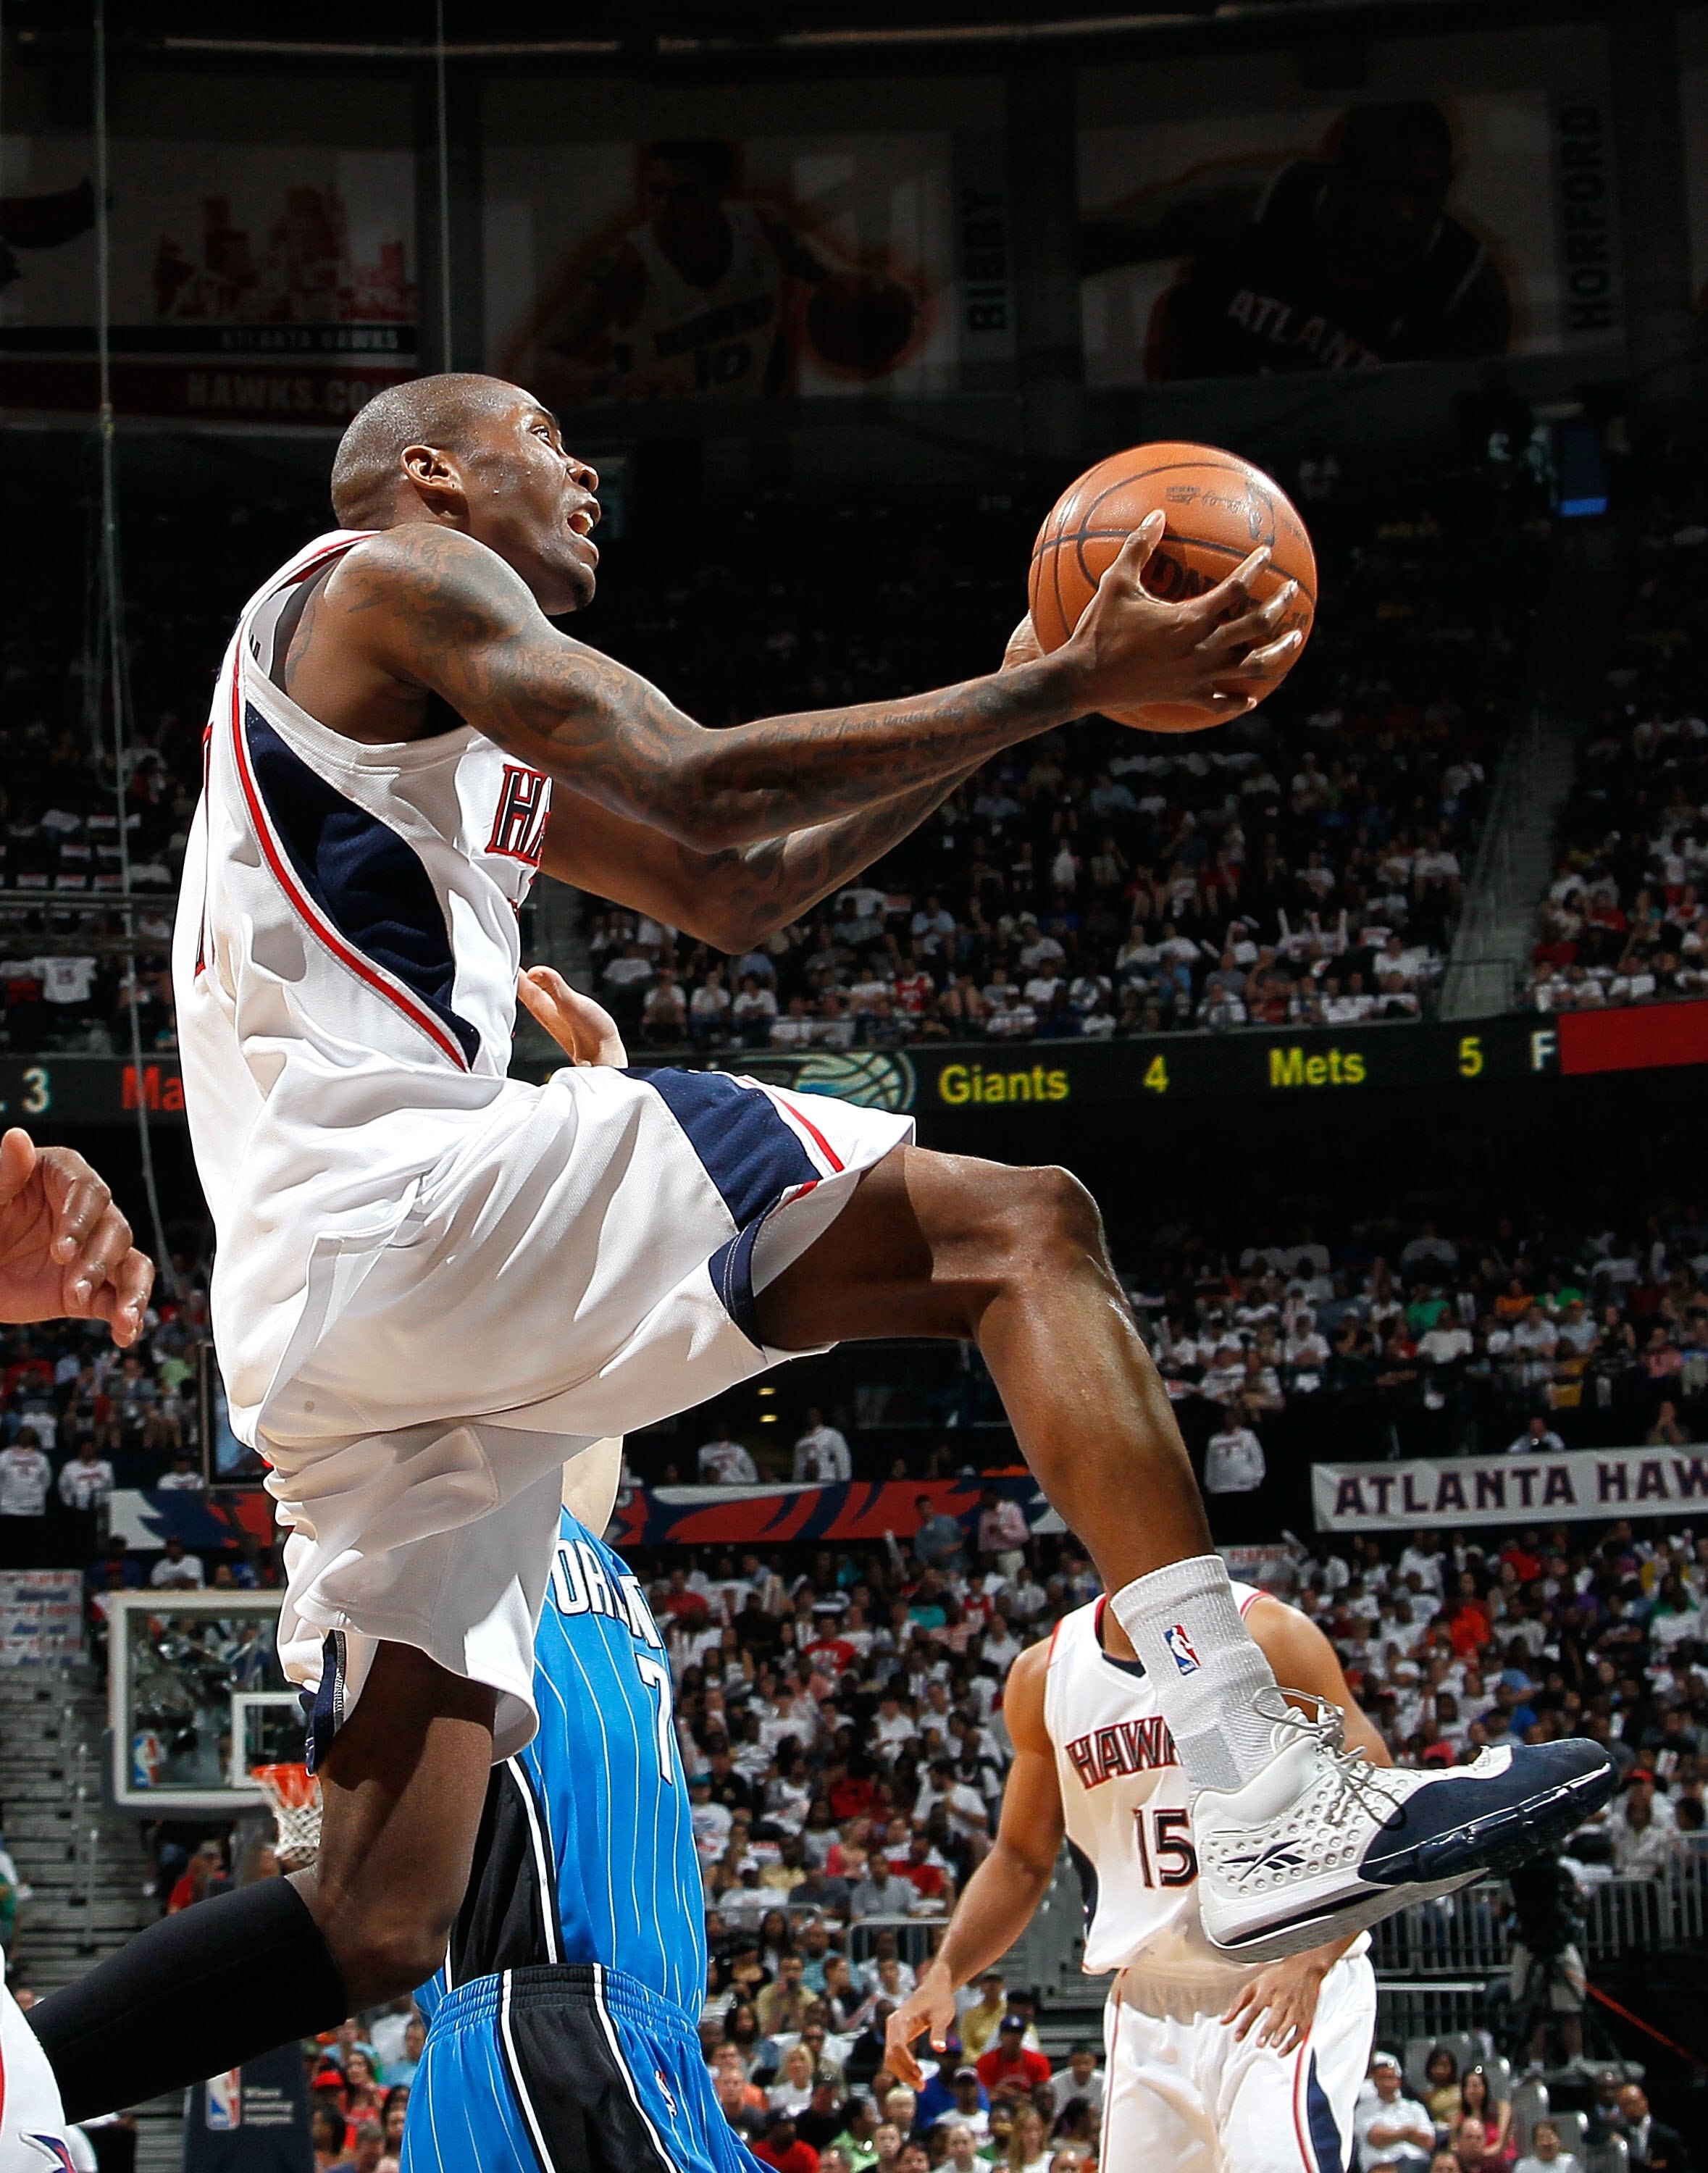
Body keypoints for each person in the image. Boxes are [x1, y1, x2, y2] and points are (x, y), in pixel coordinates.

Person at [30, 374, 1609, 2124]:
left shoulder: (429, 746)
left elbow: (734, 888)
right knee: (1022, 1229)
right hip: (398, 1208)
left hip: (328, 1318)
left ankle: (27, 2081)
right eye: (543, 440)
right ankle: (1253, 1781)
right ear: (428, 474)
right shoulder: (391, 574)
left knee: (386, 1907)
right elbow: (699, 787)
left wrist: (1018, 698)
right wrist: (1060, 679)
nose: (581, 471)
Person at [887, 1576, 1380, 2172]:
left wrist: (1314, 1957)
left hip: (1277, 1979)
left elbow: (1373, 1794)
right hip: (1149, 1998)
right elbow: (1020, 1856)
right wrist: (944, 1972)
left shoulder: (1264, 1632)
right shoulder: (1047, 1671)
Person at [1355, 2053, 1436, 2170]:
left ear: (1398, 2081)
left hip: (1416, 2164)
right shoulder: (1364, 2110)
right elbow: (1376, 2139)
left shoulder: (1415, 2108)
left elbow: (1428, 2142)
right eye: (1382, 2078)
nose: (1387, 2083)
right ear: (1375, 2082)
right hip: (1381, 2165)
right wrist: (1408, 2132)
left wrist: (1392, 2136)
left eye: (1390, 2078)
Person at [1614, 2084, 1689, 2173]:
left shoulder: (1667, 2137)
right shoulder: (1619, 2138)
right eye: (1625, 2104)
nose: (1631, 2108)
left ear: (1645, 2102)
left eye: (1634, 2102)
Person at [792, 1409, 852, 1486]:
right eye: (809, 1416)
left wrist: (844, 1483)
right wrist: (796, 1485)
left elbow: (842, 1459)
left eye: (814, 1415)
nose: (811, 1418)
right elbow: (799, 1468)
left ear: (820, 1417)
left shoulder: (831, 1435)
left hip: (828, 1481)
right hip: (807, 1484)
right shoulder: (801, 1443)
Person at [1515, 2122, 1584, 2173]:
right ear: (1534, 2143)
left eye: (1550, 2138)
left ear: (1559, 2141)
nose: (1546, 2143)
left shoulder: (1569, 2162)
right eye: (1541, 2139)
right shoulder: (1523, 2166)